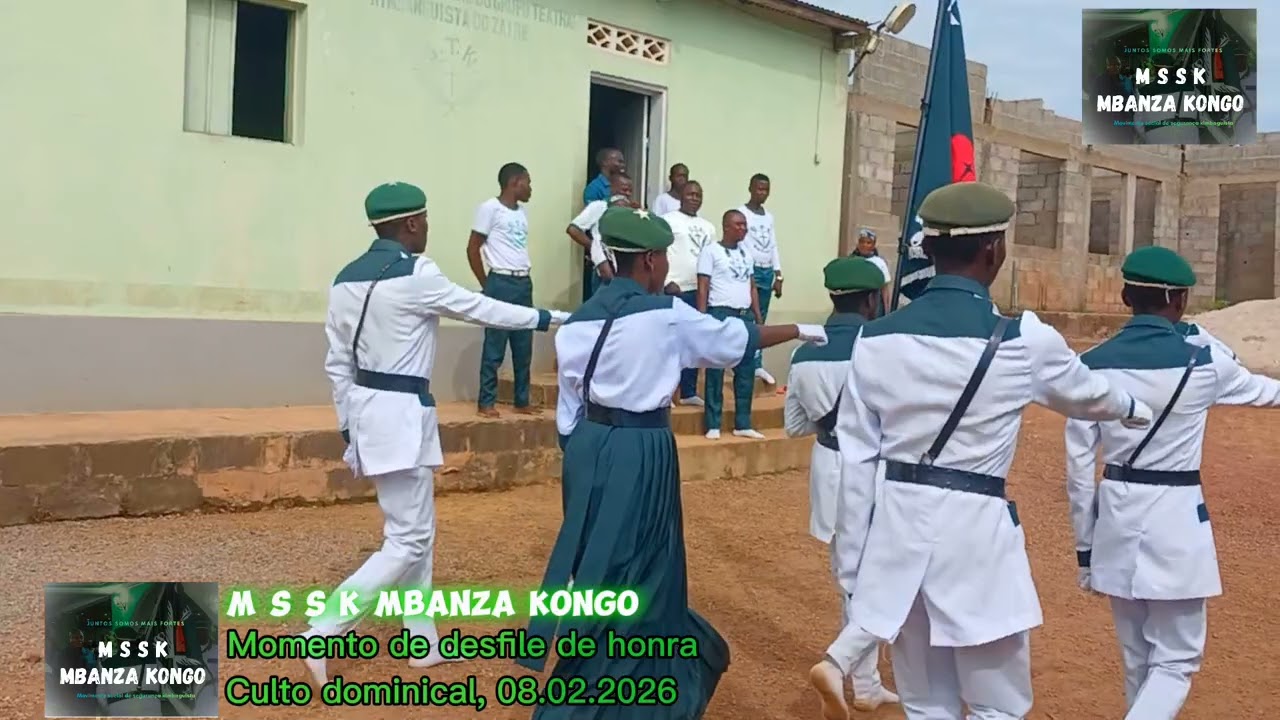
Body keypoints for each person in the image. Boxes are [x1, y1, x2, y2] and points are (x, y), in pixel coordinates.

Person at [826, 181, 1154, 720]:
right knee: (997, 705)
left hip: (897, 534)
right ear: (993, 249)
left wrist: (856, 566)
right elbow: (1089, 395)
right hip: (976, 535)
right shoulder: (1023, 339)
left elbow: (856, 464)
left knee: (924, 705)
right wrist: (1134, 408)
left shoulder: (874, 339)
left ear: (929, 251)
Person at [518, 205, 829, 719]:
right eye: (663, 256)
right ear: (648, 260)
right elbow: (735, 340)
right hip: (641, 447)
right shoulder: (666, 315)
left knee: (595, 565)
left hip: (589, 448)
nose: (665, 265)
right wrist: (798, 328)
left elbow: (568, 412)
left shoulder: (576, 323)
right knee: (644, 569)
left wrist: (588, 458)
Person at [313, 181, 567, 685]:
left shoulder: (343, 280)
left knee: (417, 531)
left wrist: (347, 423)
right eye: (425, 220)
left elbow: (337, 363)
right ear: (411, 223)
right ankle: (325, 628)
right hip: (402, 415)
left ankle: (421, 640)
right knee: (407, 539)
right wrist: (554, 318)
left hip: (367, 412)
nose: (428, 228)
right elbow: (481, 308)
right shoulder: (417, 274)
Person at [1064, 246, 1280, 720]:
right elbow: (1266, 390)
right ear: (1181, 302)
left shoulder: (1088, 366)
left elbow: (1078, 473)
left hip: (1116, 516)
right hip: (1176, 519)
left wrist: (1085, 550)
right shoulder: (1205, 364)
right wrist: (1201, 333)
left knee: (1136, 660)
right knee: (1176, 660)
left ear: (1125, 296)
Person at [787, 256, 901, 715]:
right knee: (888, 576)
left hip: (829, 465)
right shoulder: (884, 345)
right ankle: (849, 667)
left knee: (851, 580)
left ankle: (866, 683)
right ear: (872, 299)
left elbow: (795, 425)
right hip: (874, 468)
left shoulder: (803, 353)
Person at [468, 163, 538, 418]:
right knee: (495, 344)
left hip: (523, 281)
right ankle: (486, 402)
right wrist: (486, 284)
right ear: (514, 182)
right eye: (528, 182)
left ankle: (522, 400)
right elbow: (473, 248)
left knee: (523, 344)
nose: (530, 188)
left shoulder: (521, 212)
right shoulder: (490, 209)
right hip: (501, 281)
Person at [697, 210, 765, 440]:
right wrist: (702, 318)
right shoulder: (711, 251)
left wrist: (758, 316)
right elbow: (703, 285)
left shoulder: (747, 253)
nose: (743, 228)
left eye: (745, 224)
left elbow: (752, 286)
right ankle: (713, 423)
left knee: (746, 370)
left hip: (744, 316)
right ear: (726, 226)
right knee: (715, 370)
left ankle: (742, 423)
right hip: (720, 314)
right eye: (738, 224)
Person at [661, 180, 717, 408]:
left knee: (693, 342)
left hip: (699, 290)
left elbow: (711, 259)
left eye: (698, 195)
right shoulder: (668, 221)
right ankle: (666, 391)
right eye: (690, 194)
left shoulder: (708, 227)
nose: (694, 198)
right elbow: (660, 251)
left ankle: (688, 391)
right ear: (681, 196)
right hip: (676, 288)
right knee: (670, 342)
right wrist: (666, 281)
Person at [740, 173, 784, 385]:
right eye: (759, 189)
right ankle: (743, 361)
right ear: (750, 188)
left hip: (767, 271)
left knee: (761, 318)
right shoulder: (741, 213)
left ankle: (757, 364)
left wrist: (778, 273)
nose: (762, 193)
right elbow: (740, 243)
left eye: (766, 190)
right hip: (751, 270)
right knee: (749, 316)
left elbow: (773, 244)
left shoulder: (769, 217)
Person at [568, 173, 634, 294]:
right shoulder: (599, 206)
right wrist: (595, 249)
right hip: (604, 267)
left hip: (626, 270)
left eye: (630, 191)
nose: (628, 194)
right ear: (612, 188)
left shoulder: (632, 210)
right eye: (624, 190)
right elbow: (573, 229)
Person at [581, 148, 626, 303]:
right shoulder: (594, 189)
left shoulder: (621, 187)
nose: (623, 165)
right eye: (619, 161)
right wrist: (595, 249)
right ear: (605, 162)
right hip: (602, 255)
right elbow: (593, 223)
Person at [851, 228, 891, 318]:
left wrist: (887, 310)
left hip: (874, 302)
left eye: (868, 243)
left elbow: (884, 288)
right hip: (855, 301)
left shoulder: (879, 262)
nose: (864, 245)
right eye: (862, 242)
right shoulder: (851, 261)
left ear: (873, 245)